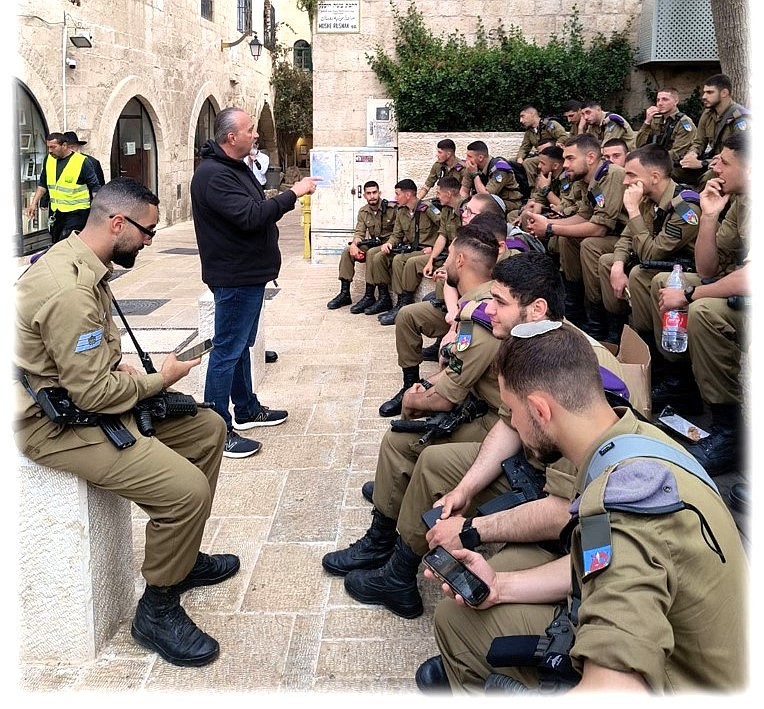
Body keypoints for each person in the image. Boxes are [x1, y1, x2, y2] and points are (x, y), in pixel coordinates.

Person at [423, 322, 746, 694]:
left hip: (686, 680)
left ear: (539, 410)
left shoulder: (626, 510)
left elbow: (618, 689)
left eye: (511, 410)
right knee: (459, 617)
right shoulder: (629, 438)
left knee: (460, 631)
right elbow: (594, 563)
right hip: (693, 645)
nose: (511, 422)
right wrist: (500, 585)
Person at [14, 177, 240, 668]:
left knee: (208, 429)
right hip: (56, 425)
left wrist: (124, 371)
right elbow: (91, 393)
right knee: (185, 492)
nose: (152, 240)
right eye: (149, 231)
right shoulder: (71, 289)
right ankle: (156, 611)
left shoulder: (82, 261)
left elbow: (85, 364)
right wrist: (161, 378)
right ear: (118, 223)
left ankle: (182, 556)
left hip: (84, 401)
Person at [321, 229, 502, 619]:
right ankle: (382, 537)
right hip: (486, 412)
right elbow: (458, 373)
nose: (446, 258)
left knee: (410, 445)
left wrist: (413, 399)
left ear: (461, 262)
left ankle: (396, 569)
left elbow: (449, 394)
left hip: (495, 424)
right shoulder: (481, 305)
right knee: (401, 441)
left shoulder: (483, 316)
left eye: (450, 253)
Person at [190, 107, 320, 458]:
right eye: (250, 129)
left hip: (247, 274)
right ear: (231, 137)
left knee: (238, 347)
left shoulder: (233, 167)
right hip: (234, 276)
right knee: (226, 351)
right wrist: (294, 194)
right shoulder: (214, 175)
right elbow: (249, 216)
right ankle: (217, 431)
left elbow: (251, 205)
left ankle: (246, 408)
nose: (256, 134)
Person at [653, 132, 750, 475]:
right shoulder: (739, 199)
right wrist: (709, 215)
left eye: (725, 162)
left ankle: (731, 433)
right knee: (663, 283)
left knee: (704, 311)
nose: (715, 165)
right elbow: (708, 268)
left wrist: (692, 294)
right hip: (739, 287)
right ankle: (683, 384)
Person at [524, 134, 627, 339]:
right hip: (609, 234)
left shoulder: (612, 175)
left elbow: (599, 228)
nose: (566, 164)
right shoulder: (584, 179)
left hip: (626, 237)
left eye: (570, 158)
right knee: (566, 239)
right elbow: (583, 216)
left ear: (590, 157)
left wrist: (551, 228)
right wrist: (547, 224)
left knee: (590, 245)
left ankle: (600, 325)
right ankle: (575, 310)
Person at [598, 144, 699, 346]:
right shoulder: (647, 199)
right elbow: (627, 237)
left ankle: (650, 345)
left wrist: (633, 210)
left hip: (685, 267)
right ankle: (619, 330)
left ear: (654, 177)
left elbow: (652, 254)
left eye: (631, 175)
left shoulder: (685, 208)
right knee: (608, 261)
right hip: (661, 261)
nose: (626, 181)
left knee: (639, 274)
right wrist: (618, 266)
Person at [369, 179, 441, 325]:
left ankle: (403, 303)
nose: (395, 198)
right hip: (410, 248)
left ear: (408, 195)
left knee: (399, 260)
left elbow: (445, 230)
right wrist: (389, 243)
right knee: (380, 257)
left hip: (426, 250)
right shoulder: (401, 211)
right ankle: (389, 300)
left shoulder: (428, 209)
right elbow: (397, 234)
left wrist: (436, 248)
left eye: (397, 194)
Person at [326, 180, 397, 311]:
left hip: (389, 246)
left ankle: (370, 295)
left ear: (379, 193)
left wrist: (389, 243)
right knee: (348, 250)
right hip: (373, 244)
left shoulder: (392, 209)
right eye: (368, 193)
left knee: (371, 253)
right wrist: (354, 245)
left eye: (374, 192)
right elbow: (359, 232)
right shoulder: (363, 212)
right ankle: (345, 293)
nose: (372, 196)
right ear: (364, 195)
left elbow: (399, 232)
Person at [24, 132, 102, 243]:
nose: (50, 150)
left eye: (53, 147)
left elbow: (95, 187)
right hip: (56, 213)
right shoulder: (48, 160)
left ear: (64, 146)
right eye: (48, 147)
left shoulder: (82, 162)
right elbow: (42, 184)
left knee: (68, 243)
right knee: (57, 244)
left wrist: (98, 212)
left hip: (77, 213)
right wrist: (33, 204)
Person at [676, 74, 750, 187]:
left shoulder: (741, 119)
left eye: (709, 92)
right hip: (709, 162)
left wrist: (702, 163)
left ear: (724, 93)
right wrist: (692, 154)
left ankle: (697, 203)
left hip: (728, 165)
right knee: (672, 170)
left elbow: (739, 155)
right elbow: (699, 142)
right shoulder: (708, 114)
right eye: (704, 92)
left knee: (707, 179)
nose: (704, 96)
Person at [635, 87, 697, 167]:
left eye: (665, 99)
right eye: (658, 100)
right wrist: (647, 122)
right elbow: (639, 145)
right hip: (657, 160)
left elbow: (677, 154)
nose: (660, 103)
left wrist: (651, 159)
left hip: (676, 165)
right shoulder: (656, 119)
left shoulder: (684, 123)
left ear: (676, 101)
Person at [460, 140, 522, 214]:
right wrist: (466, 206)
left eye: (469, 156)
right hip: (486, 202)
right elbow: (463, 191)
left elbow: (486, 197)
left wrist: (475, 174)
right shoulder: (472, 167)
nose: (467, 159)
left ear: (480, 158)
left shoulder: (500, 169)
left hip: (509, 203)